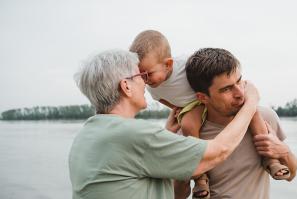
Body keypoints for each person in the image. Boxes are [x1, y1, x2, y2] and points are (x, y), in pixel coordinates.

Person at [68, 49, 260, 199]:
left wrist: (167, 133)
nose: (146, 83)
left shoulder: (86, 135)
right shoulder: (134, 134)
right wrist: (250, 103)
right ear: (126, 86)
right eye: (140, 77)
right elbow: (219, 151)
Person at [129, 30, 291, 199]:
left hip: (203, 99)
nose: (144, 79)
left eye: (148, 74)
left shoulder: (185, 64)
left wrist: (283, 153)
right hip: (192, 106)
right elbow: (164, 100)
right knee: (188, 125)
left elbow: (208, 67)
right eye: (141, 75)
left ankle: (270, 160)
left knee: (253, 113)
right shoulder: (154, 89)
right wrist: (179, 111)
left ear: (168, 64)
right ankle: (201, 178)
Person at [180, 48, 297, 199]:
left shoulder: (266, 118)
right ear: (203, 97)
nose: (240, 94)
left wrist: (284, 151)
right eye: (227, 89)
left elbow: (291, 175)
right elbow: (177, 195)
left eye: (238, 81)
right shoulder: (189, 135)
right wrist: (184, 172)